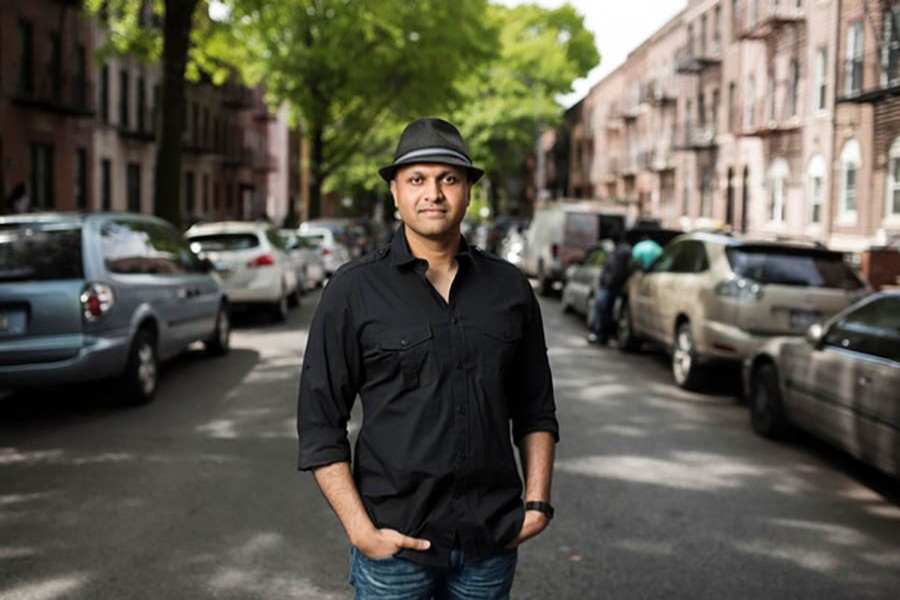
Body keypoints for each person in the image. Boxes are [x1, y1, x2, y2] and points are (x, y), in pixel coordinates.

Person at [296, 117, 559, 599]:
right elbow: (319, 424)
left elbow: (535, 405)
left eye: (448, 179)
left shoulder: (510, 289)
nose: (433, 193)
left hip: (490, 543)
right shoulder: (353, 290)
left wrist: (537, 501)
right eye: (417, 179)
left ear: (468, 192)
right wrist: (360, 531)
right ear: (395, 193)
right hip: (395, 547)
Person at [587, 231, 632, 346]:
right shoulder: (620, 250)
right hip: (609, 285)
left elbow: (617, 271)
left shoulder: (622, 251)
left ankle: (601, 335)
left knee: (603, 310)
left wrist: (609, 283)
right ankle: (601, 335)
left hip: (610, 286)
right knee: (603, 310)